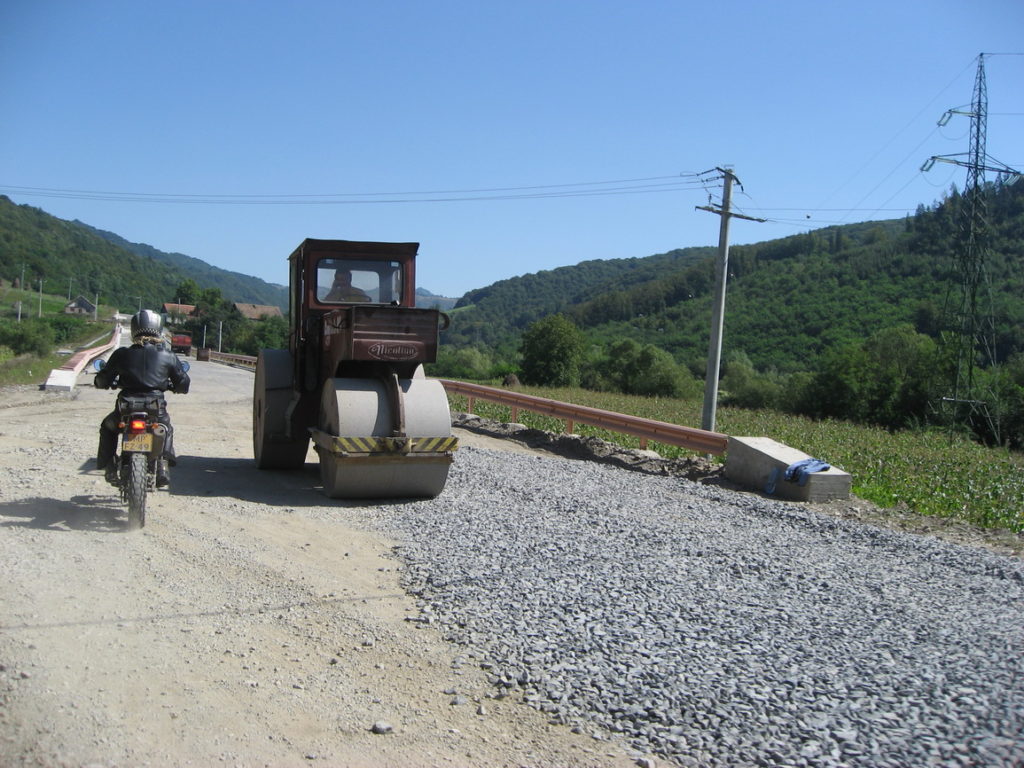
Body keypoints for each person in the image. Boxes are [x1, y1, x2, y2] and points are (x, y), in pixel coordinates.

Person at [95, 309, 190, 488]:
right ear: (159, 329)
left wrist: (103, 381)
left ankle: (108, 466)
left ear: (134, 329)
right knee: (165, 428)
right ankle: (163, 464)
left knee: (107, 427)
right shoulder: (168, 355)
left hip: (125, 409)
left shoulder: (121, 354)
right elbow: (183, 384)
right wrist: (174, 386)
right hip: (155, 408)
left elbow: (102, 379)